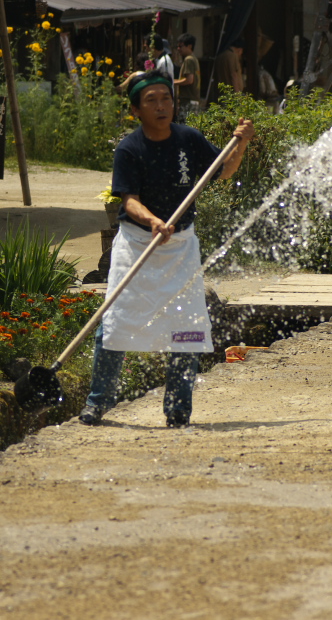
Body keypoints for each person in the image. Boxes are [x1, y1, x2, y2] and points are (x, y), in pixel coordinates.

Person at [79, 69, 255, 428]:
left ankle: (178, 410)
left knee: (187, 328)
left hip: (180, 246)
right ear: (135, 111)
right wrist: (153, 222)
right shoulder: (129, 149)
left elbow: (222, 171)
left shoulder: (188, 139)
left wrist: (242, 143)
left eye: (166, 98)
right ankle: (98, 402)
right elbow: (128, 201)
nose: (161, 106)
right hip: (137, 244)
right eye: (151, 100)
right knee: (113, 323)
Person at [175, 33, 201, 123]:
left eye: (180, 46)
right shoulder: (194, 58)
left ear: (189, 46)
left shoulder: (188, 59)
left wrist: (174, 82)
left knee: (185, 126)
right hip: (193, 100)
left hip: (188, 101)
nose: (178, 49)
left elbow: (189, 80)